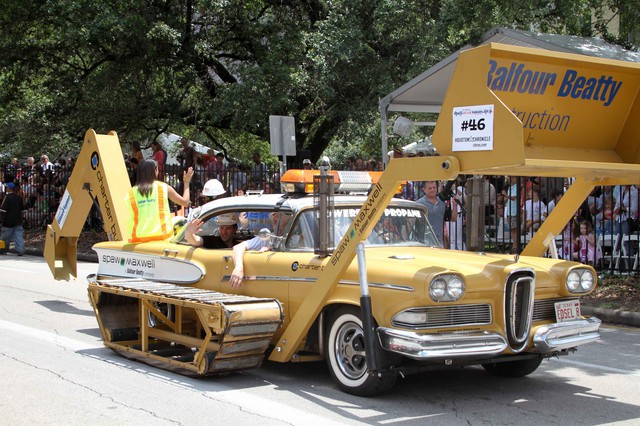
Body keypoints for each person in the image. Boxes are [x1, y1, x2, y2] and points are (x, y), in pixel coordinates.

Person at [125, 159, 193, 243]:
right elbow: (185, 202)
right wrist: (186, 183)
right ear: (155, 170)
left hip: (138, 242)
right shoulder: (163, 187)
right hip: (163, 240)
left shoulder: (130, 193)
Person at [229, 212, 288, 289]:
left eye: (277, 221)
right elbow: (238, 247)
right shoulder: (268, 237)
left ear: (287, 223)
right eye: (274, 221)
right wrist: (238, 268)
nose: (274, 224)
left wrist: (272, 251)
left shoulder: (297, 239)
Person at [416, 181, 446, 246]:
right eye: (430, 188)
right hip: (425, 242)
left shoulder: (442, 202)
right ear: (424, 189)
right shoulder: (419, 204)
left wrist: (454, 206)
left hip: (439, 242)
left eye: (434, 187)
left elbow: (453, 218)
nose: (433, 190)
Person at [1, 181, 25, 255]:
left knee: (6, 238)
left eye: (7, 187)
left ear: (9, 188)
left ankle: (3, 250)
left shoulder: (7, 197)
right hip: (17, 221)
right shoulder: (18, 197)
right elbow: (22, 210)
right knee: (18, 237)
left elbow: (2, 210)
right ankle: (20, 250)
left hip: (8, 221)